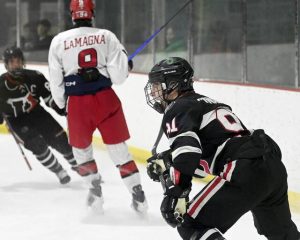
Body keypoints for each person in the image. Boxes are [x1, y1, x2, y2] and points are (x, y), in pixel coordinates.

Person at [145, 57, 300, 240]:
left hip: (244, 168)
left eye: (157, 85)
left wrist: (176, 192)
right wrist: (171, 160)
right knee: (283, 234)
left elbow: (188, 154)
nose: (154, 91)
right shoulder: (207, 103)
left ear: (172, 85)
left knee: (191, 224)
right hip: (271, 165)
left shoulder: (177, 108)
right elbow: (207, 152)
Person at [48, 0, 147, 213]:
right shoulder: (107, 36)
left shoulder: (58, 41)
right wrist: (126, 66)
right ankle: (137, 194)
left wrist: (60, 103)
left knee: (82, 152)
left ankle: (95, 194)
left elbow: (55, 78)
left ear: (72, 14)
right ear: (92, 13)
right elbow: (119, 76)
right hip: (106, 100)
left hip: (77, 104)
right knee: (119, 151)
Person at [0, 46, 77, 184]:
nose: (16, 65)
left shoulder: (35, 76)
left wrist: (63, 109)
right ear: (6, 64)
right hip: (16, 121)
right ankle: (59, 171)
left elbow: (50, 98)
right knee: (37, 145)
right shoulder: (0, 85)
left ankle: (81, 167)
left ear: (22, 61)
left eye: (18, 61)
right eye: (12, 62)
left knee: (62, 142)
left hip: (37, 114)